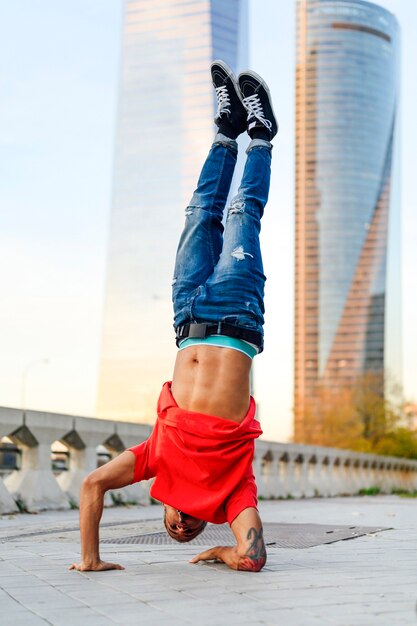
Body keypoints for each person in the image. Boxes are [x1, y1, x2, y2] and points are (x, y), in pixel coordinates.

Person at [70, 60, 277, 574]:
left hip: (185, 316)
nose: (183, 529)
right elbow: (253, 558)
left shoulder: (155, 458)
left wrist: (90, 560)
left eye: (174, 530)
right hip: (236, 317)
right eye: (192, 530)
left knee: (198, 212)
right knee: (239, 214)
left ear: (162, 508)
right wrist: (224, 549)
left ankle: (227, 133)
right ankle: (262, 138)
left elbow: (92, 483)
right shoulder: (233, 492)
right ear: (209, 518)